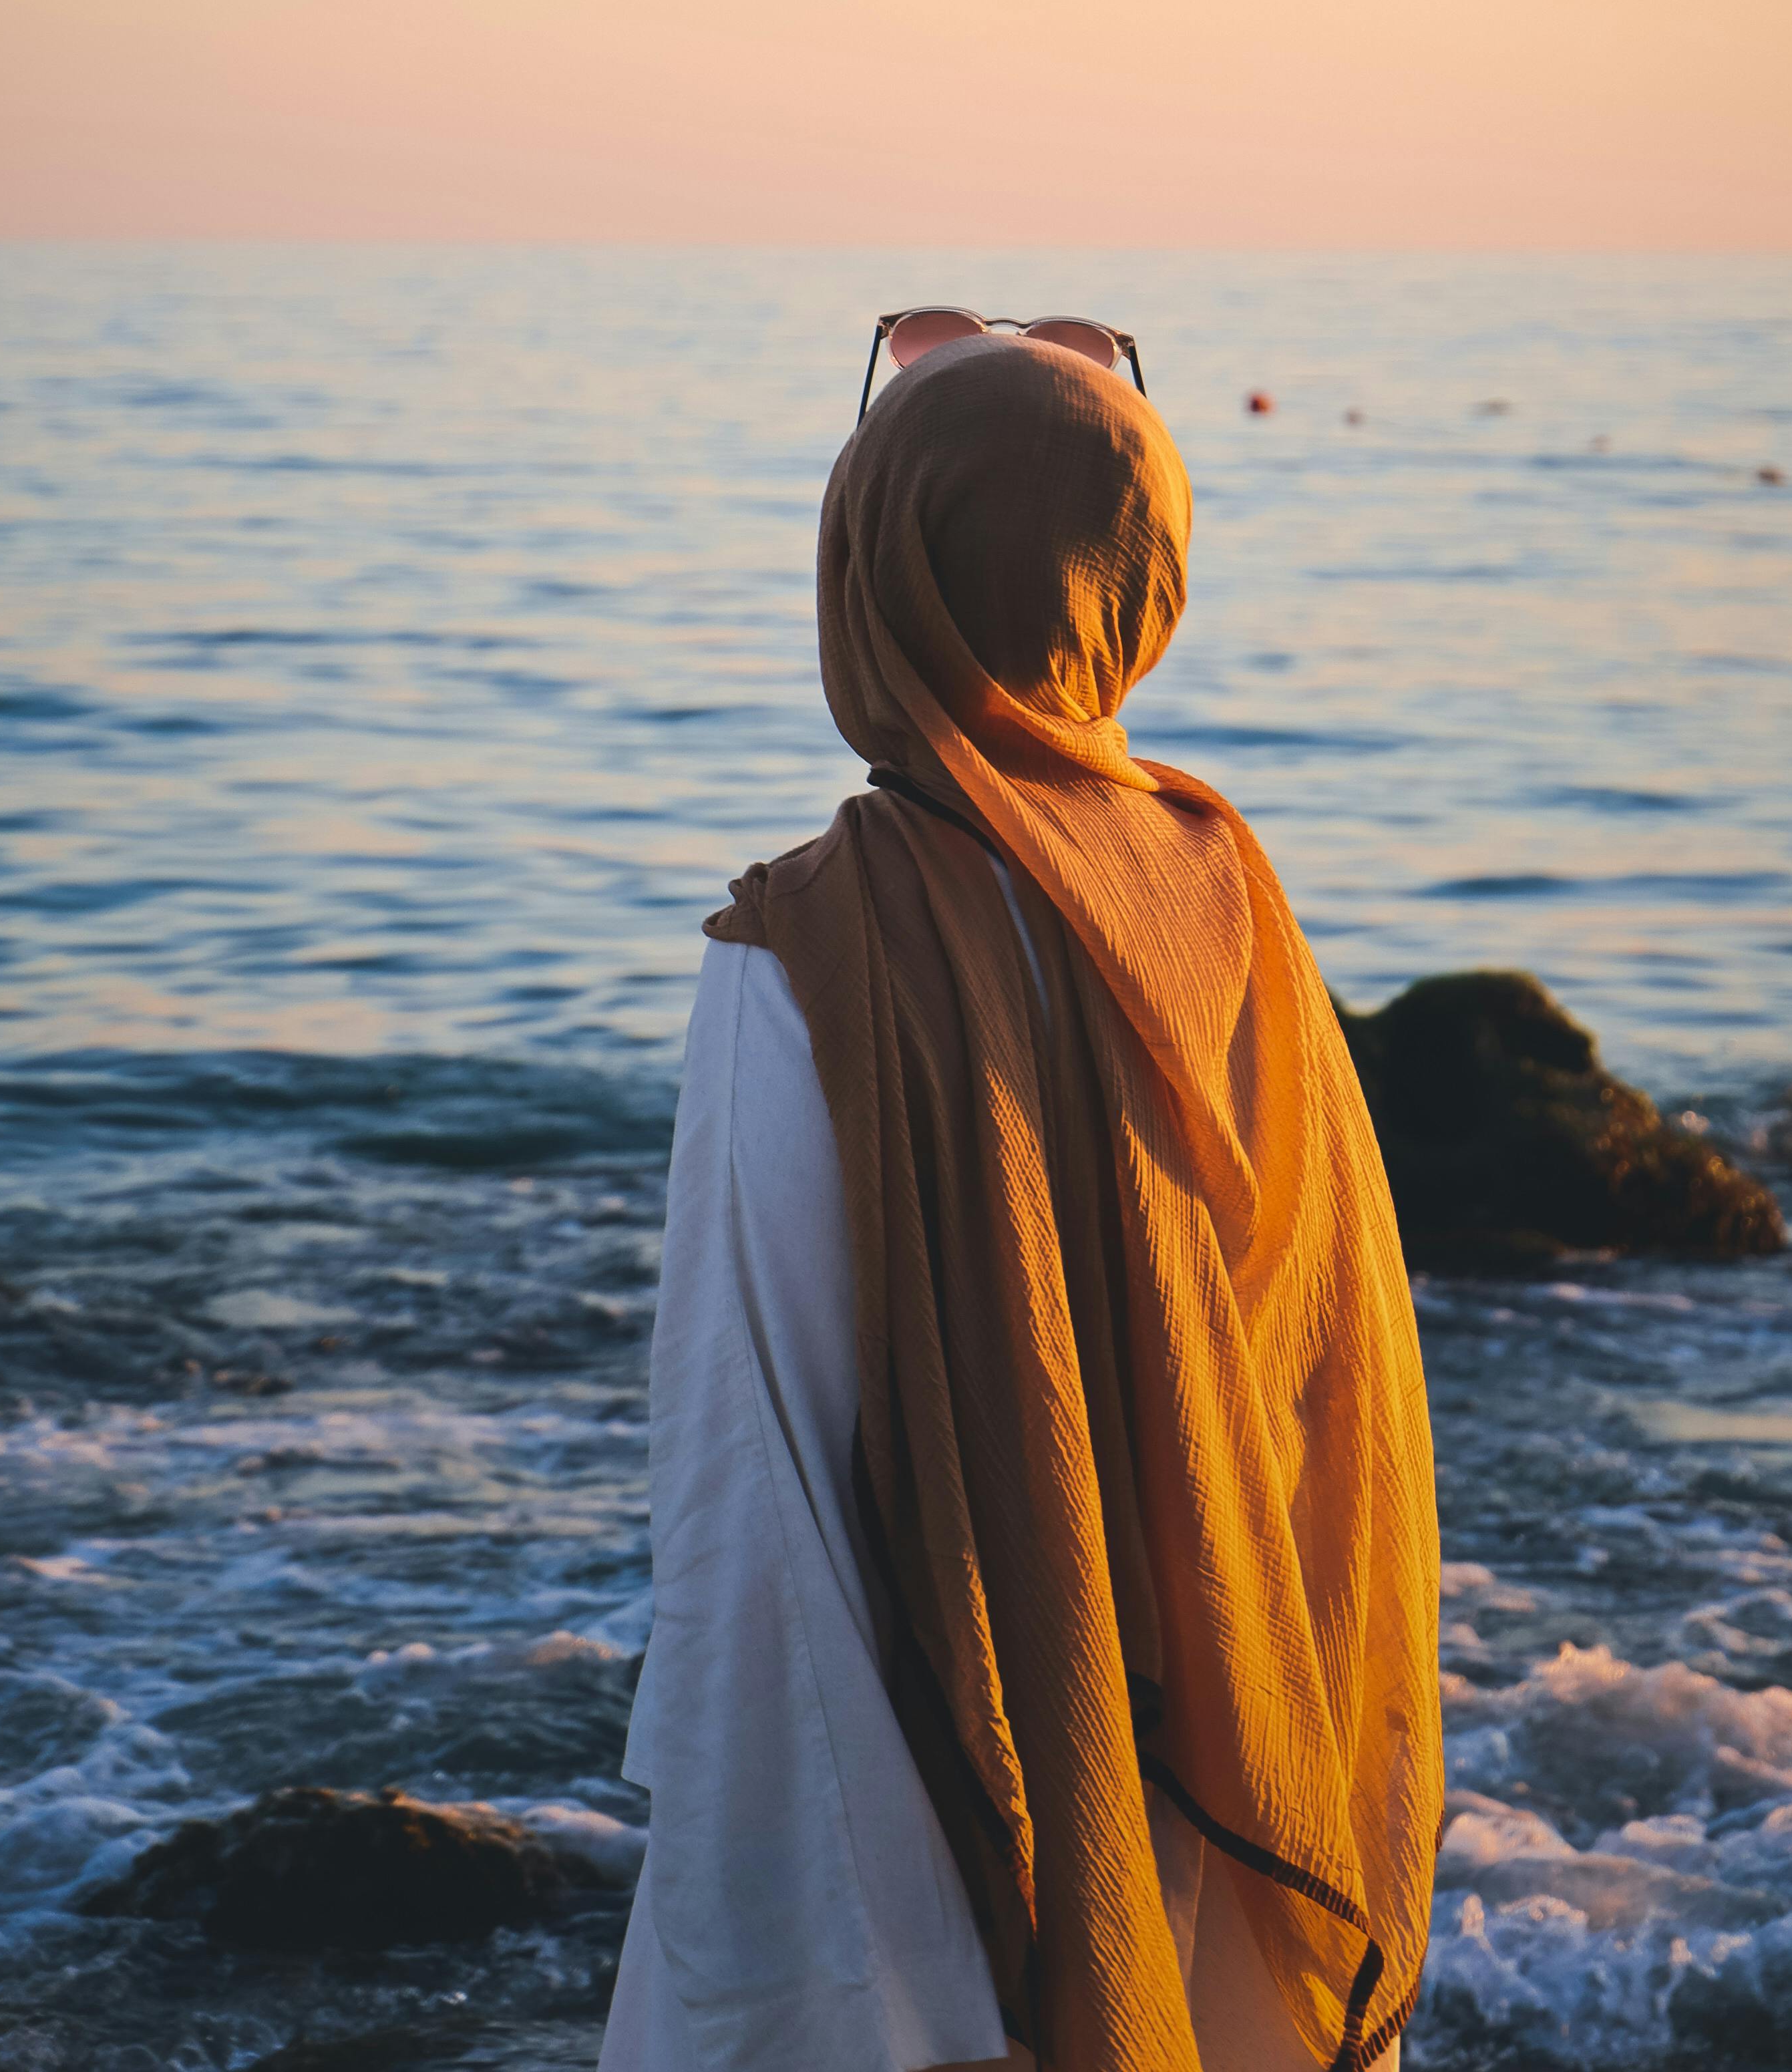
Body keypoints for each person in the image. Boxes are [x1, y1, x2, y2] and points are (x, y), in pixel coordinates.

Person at [600, 321, 1440, 2072]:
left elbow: (754, 1472)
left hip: (923, 1819)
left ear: (875, 568)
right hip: (1207, 1742)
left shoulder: (810, 949)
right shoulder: (1229, 894)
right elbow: (1316, 1380)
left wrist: (791, 1929)